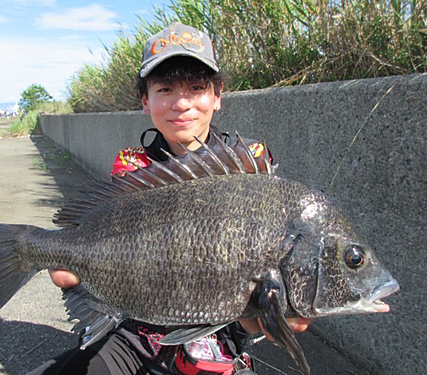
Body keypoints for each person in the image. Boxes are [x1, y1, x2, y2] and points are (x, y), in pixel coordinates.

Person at [29, 23, 311, 375]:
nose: (182, 103)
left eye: (196, 88)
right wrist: (76, 263)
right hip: (136, 333)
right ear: (145, 100)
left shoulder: (251, 163)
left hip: (219, 341)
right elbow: (115, 249)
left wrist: (266, 316)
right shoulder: (133, 166)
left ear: (218, 95)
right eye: (165, 89)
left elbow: (254, 308)